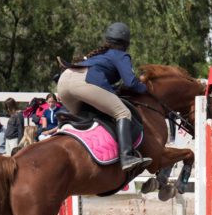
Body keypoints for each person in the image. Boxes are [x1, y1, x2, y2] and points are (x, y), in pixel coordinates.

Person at [56, 22, 152, 171]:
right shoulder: (121, 55)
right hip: (84, 82)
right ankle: (126, 157)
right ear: (126, 43)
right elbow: (131, 82)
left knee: (85, 118)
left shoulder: (99, 55)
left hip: (64, 81)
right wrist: (146, 89)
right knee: (123, 113)